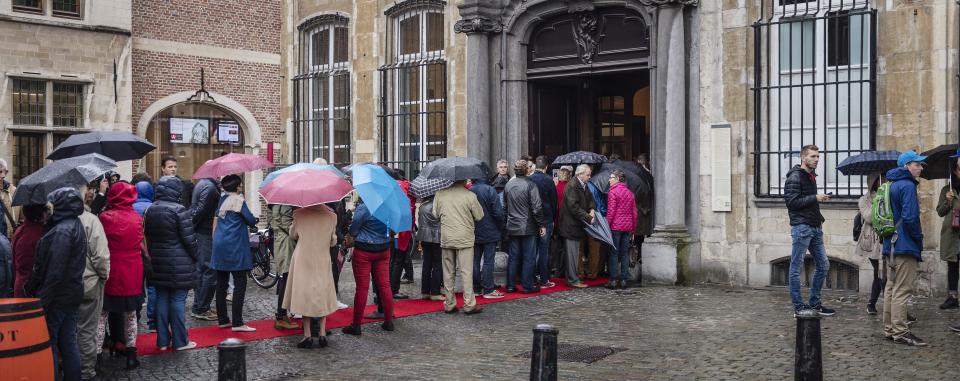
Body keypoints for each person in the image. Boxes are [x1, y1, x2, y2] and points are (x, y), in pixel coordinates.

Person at [25, 188, 87, 381]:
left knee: (51, 343)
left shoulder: (63, 230)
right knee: (68, 342)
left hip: (59, 297)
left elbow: (55, 271)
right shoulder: (73, 224)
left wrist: (42, 300)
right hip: (71, 293)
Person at [144, 176, 200, 351]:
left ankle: (161, 341)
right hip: (179, 262)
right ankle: (180, 341)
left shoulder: (150, 209)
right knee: (177, 299)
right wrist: (196, 256)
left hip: (157, 261)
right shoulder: (179, 210)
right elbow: (189, 240)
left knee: (161, 297)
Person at [97, 182, 145, 370]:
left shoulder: (105, 217)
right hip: (132, 268)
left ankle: (97, 358)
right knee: (130, 315)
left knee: (101, 315)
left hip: (111, 268)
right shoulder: (136, 217)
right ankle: (131, 355)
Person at [783, 145, 835, 316]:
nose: (816, 159)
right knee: (796, 267)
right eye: (813, 156)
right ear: (803, 158)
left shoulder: (810, 176)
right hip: (802, 227)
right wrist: (815, 197)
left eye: (818, 156)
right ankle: (798, 307)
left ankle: (814, 303)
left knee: (824, 265)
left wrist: (819, 198)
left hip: (814, 226)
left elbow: (805, 200)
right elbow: (791, 202)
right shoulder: (795, 177)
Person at [881, 150, 926, 346]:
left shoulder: (890, 184)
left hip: (889, 244)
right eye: (917, 164)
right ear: (907, 166)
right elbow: (910, 218)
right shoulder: (907, 185)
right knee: (902, 289)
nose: (921, 167)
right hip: (904, 244)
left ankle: (890, 329)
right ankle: (901, 332)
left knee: (891, 288)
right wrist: (918, 238)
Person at [283, 204, 339, 348]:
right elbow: (333, 241)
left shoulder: (299, 214)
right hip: (322, 257)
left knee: (305, 293)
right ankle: (322, 333)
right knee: (322, 291)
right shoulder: (331, 216)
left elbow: (293, 235)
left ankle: (307, 335)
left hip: (303, 258)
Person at [211, 174, 258, 332]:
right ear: (237, 187)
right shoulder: (239, 200)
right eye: (240, 185)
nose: (242, 187)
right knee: (240, 283)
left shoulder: (221, 199)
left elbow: (217, 217)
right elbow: (250, 220)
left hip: (219, 243)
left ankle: (223, 319)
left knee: (221, 283)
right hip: (234, 245)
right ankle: (237, 323)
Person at [343, 197, 395, 336]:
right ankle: (388, 321)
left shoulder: (364, 207)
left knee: (362, 288)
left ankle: (356, 325)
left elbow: (354, 230)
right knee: (385, 285)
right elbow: (392, 229)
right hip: (383, 249)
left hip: (364, 251)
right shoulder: (389, 206)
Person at [433, 180, 486, 313]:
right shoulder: (470, 195)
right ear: (463, 180)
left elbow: (435, 215)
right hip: (465, 237)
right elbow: (479, 216)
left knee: (448, 272)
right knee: (466, 272)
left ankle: (449, 303)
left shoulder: (440, 194)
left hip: (447, 237)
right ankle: (469, 304)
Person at [77, 181, 111, 380]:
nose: (91, 192)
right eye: (87, 189)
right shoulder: (90, 220)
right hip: (89, 282)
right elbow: (100, 256)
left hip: (64, 284)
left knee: (68, 329)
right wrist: (104, 276)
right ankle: (85, 371)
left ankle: (67, 365)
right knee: (86, 330)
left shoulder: (54, 219)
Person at [503, 160, 547, 294]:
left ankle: (510, 285)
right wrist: (541, 224)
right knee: (529, 257)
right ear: (526, 170)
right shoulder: (530, 185)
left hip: (513, 225)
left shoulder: (509, 185)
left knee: (514, 256)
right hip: (527, 226)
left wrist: (506, 223)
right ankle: (528, 285)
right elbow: (537, 208)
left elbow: (504, 207)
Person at [188, 167, 221, 322]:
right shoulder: (210, 188)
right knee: (208, 270)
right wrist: (193, 226)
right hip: (205, 233)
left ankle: (199, 306)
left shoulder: (202, 184)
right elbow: (201, 211)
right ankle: (202, 308)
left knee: (202, 270)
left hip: (201, 232)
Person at [557, 164, 594, 289]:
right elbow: (574, 207)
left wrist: (592, 208)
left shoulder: (583, 184)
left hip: (576, 225)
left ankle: (573, 278)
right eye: (588, 175)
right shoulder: (572, 185)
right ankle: (572, 280)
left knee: (574, 253)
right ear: (580, 174)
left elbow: (590, 198)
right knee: (572, 254)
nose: (589, 177)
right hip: (570, 226)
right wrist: (588, 217)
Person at [470, 176, 505, 298]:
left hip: (474, 230)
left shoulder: (470, 191)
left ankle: (476, 288)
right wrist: (500, 226)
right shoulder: (490, 190)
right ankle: (488, 289)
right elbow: (498, 212)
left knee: (475, 260)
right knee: (488, 261)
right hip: (490, 230)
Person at [856, 174, 884, 315]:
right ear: (873, 182)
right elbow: (868, 217)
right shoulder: (864, 199)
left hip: (886, 239)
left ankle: (889, 306)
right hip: (871, 241)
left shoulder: (888, 195)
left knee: (885, 274)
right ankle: (872, 304)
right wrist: (879, 202)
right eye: (880, 179)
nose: (883, 181)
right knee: (879, 272)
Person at [529, 156, 558, 288]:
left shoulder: (529, 179)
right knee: (544, 250)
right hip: (546, 219)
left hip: (532, 219)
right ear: (546, 167)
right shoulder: (548, 180)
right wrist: (552, 218)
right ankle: (544, 278)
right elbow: (553, 202)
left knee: (532, 250)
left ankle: (533, 277)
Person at [270, 204, 299, 330]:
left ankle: (282, 314)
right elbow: (288, 226)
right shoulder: (286, 205)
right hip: (286, 242)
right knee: (286, 278)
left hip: (280, 240)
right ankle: (281, 316)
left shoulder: (277, 204)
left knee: (285, 277)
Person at [606, 170, 637, 289]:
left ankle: (613, 280)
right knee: (624, 253)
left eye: (611, 177)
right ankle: (624, 280)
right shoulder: (630, 193)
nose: (609, 179)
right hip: (627, 227)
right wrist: (633, 229)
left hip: (615, 227)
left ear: (618, 178)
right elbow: (634, 213)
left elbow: (611, 212)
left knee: (614, 253)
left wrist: (607, 226)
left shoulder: (613, 192)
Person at [937, 154, 960, 310]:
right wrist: (948, 200)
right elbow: (940, 211)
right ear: (954, 170)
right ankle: (952, 297)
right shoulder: (947, 189)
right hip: (952, 234)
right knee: (953, 265)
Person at [12, 204, 46, 297]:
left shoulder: (21, 229)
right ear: (40, 214)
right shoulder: (36, 233)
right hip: (29, 289)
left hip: (20, 283)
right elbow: (29, 267)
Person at [416, 195, 444, 301]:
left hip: (424, 237)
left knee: (426, 264)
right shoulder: (438, 206)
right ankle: (435, 292)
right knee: (437, 265)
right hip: (436, 237)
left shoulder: (422, 206)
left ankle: (425, 291)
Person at [633, 153, 654, 283]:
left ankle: (639, 260)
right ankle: (638, 260)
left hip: (643, 212)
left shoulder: (645, 175)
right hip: (642, 213)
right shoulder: (642, 176)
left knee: (640, 237)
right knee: (639, 238)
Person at [0, 159, 18, 238]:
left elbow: (23, 216)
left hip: (10, 237)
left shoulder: (13, 190)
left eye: (1, 172)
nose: (2, 175)